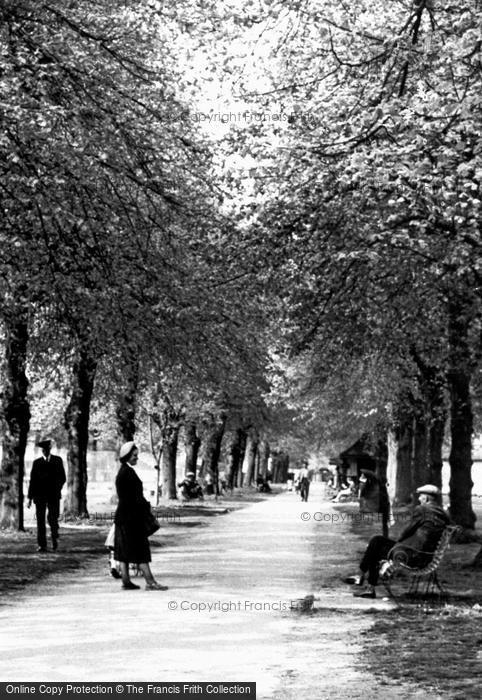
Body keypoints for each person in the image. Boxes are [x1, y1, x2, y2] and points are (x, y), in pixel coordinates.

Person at [347, 484, 451, 598]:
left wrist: (398, 542)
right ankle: (362, 578)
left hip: (410, 556)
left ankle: (365, 581)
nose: (419, 499)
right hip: (426, 557)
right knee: (377, 541)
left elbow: (406, 531)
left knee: (376, 544)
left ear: (426, 499)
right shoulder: (444, 514)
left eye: (421, 497)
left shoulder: (422, 510)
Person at [114, 441, 168, 591]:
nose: (136, 458)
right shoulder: (128, 473)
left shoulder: (123, 471)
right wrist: (146, 506)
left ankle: (126, 581)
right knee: (141, 549)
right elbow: (135, 497)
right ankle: (150, 582)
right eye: (134, 455)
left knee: (123, 550)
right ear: (127, 456)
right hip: (132, 517)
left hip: (123, 516)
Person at [27, 438, 66, 552]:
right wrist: (29, 498)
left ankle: (54, 537)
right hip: (39, 496)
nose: (45, 451)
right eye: (43, 450)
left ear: (50, 449)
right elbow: (32, 481)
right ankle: (42, 545)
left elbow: (62, 478)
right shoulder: (37, 463)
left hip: (53, 495)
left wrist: (56, 488)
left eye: (47, 449)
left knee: (53, 518)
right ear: (41, 451)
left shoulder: (57, 461)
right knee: (40, 520)